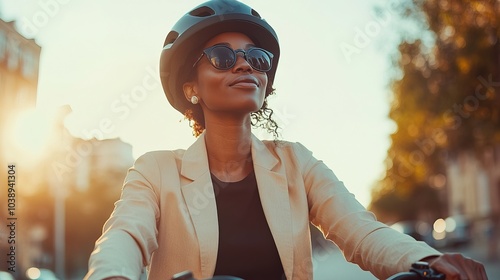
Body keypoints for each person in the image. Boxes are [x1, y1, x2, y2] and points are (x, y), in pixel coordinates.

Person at [84, 0, 488, 279]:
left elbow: (363, 232)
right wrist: (112, 276)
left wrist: (430, 261)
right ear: (192, 88)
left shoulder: (296, 164)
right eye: (222, 56)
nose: (243, 63)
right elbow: (125, 234)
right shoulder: (156, 170)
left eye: (256, 58)